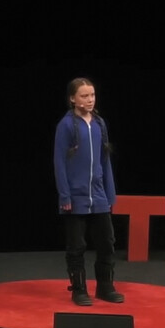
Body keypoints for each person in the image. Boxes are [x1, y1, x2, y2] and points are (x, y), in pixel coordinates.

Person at [53, 77, 124, 306]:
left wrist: (110, 193)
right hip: (75, 196)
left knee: (106, 242)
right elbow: (59, 163)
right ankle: (79, 289)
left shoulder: (99, 124)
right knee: (77, 246)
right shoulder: (66, 125)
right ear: (73, 98)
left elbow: (105, 161)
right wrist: (65, 195)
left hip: (99, 195)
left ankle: (105, 287)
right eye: (84, 96)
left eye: (92, 95)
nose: (90, 99)